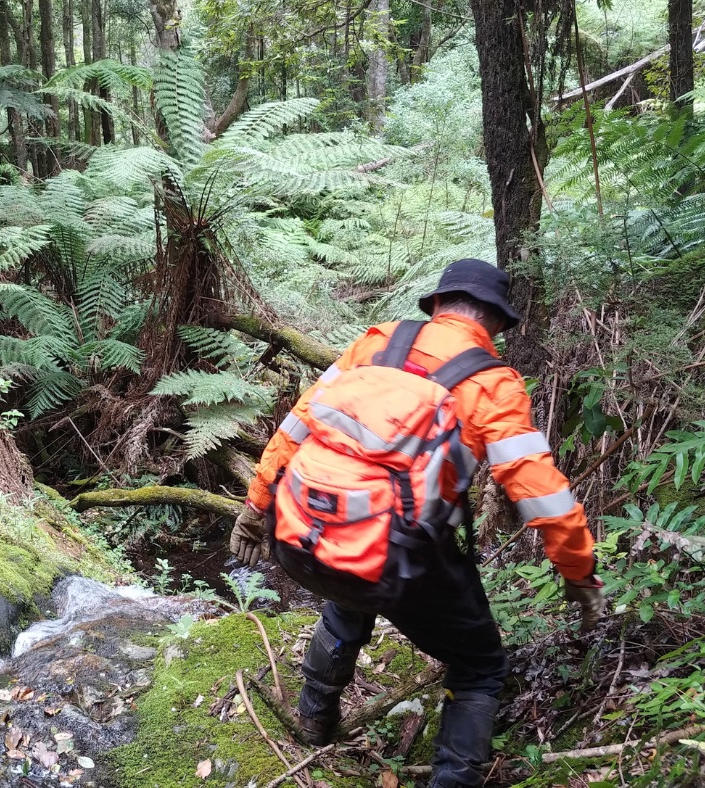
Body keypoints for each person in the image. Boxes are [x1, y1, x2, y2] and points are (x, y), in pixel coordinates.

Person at [227, 258, 606, 788]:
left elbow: (298, 422)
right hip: (400, 552)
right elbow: (539, 493)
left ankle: (314, 719)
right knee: (479, 669)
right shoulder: (493, 383)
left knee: (352, 587)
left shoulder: (376, 341)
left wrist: (255, 506)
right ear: (495, 322)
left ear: (436, 305)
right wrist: (579, 573)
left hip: (303, 530)